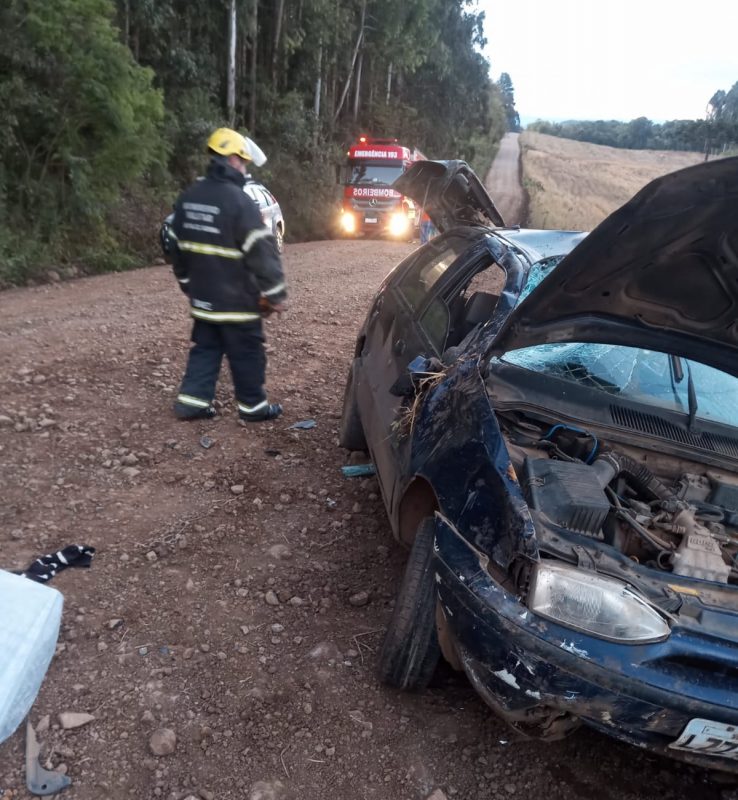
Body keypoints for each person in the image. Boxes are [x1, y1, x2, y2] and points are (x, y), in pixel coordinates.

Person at [168, 127, 287, 422]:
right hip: (237, 303)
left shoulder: (188, 198)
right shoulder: (239, 202)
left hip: (204, 300)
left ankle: (192, 403)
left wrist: (188, 286)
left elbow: (175, 247)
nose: (245, 168)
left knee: (205, 349)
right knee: (247, 353)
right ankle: (253, 409)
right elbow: (262, 251)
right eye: (244, 162)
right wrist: (275, 294)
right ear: (233, 159)